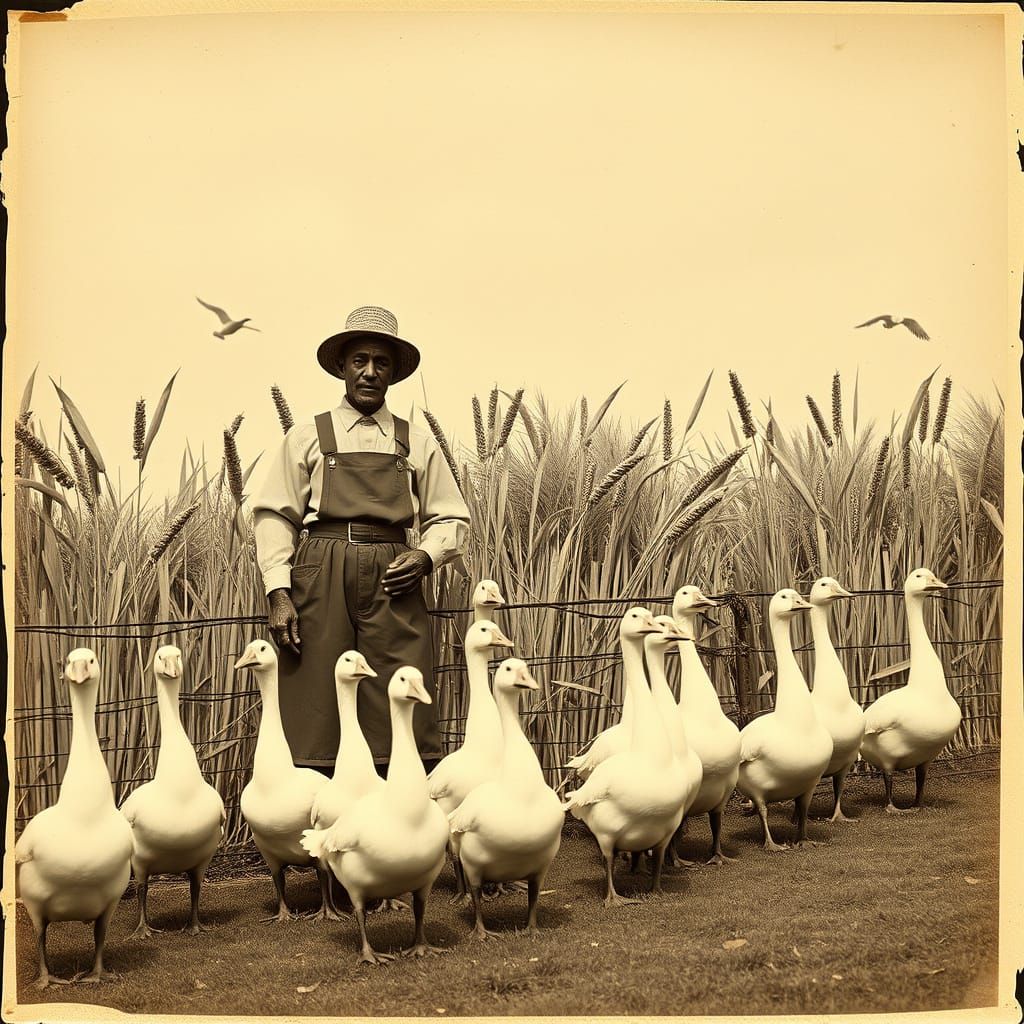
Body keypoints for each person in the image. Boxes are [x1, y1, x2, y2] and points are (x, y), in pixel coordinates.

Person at [251, 305, 470, 776]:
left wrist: (426, 557)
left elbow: (451, 516)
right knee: (315, 695)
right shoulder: (307, 434)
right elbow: (274, 514)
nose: (370, 373)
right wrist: (278, 591)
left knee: (401, 689)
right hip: (320, 570)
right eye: (359, 361)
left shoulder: (416, 440)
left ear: (393, 372)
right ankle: (314, 831)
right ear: (341, 367)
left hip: (395, 574)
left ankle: (399, 827)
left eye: (381, 363)